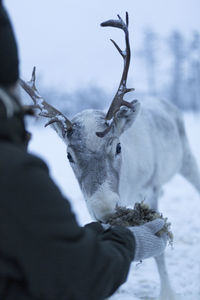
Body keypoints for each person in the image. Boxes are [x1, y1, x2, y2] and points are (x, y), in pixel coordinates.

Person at [0, 1, 167, 299]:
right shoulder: (15, 174)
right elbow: (76, 276)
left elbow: (38, 254)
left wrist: (98, 236)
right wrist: (130, 242)